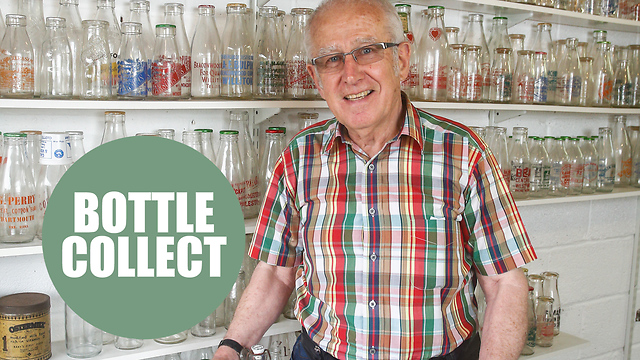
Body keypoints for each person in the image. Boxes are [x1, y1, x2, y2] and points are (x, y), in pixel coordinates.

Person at [214, 0, 536, 359]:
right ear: (317, 79)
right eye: (331, 59)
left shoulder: (464, 154)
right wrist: (231, 346)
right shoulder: (298, 158)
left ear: (401, 59)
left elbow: (505, 283)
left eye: (366, 51)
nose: (350, 75)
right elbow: (275, 272)